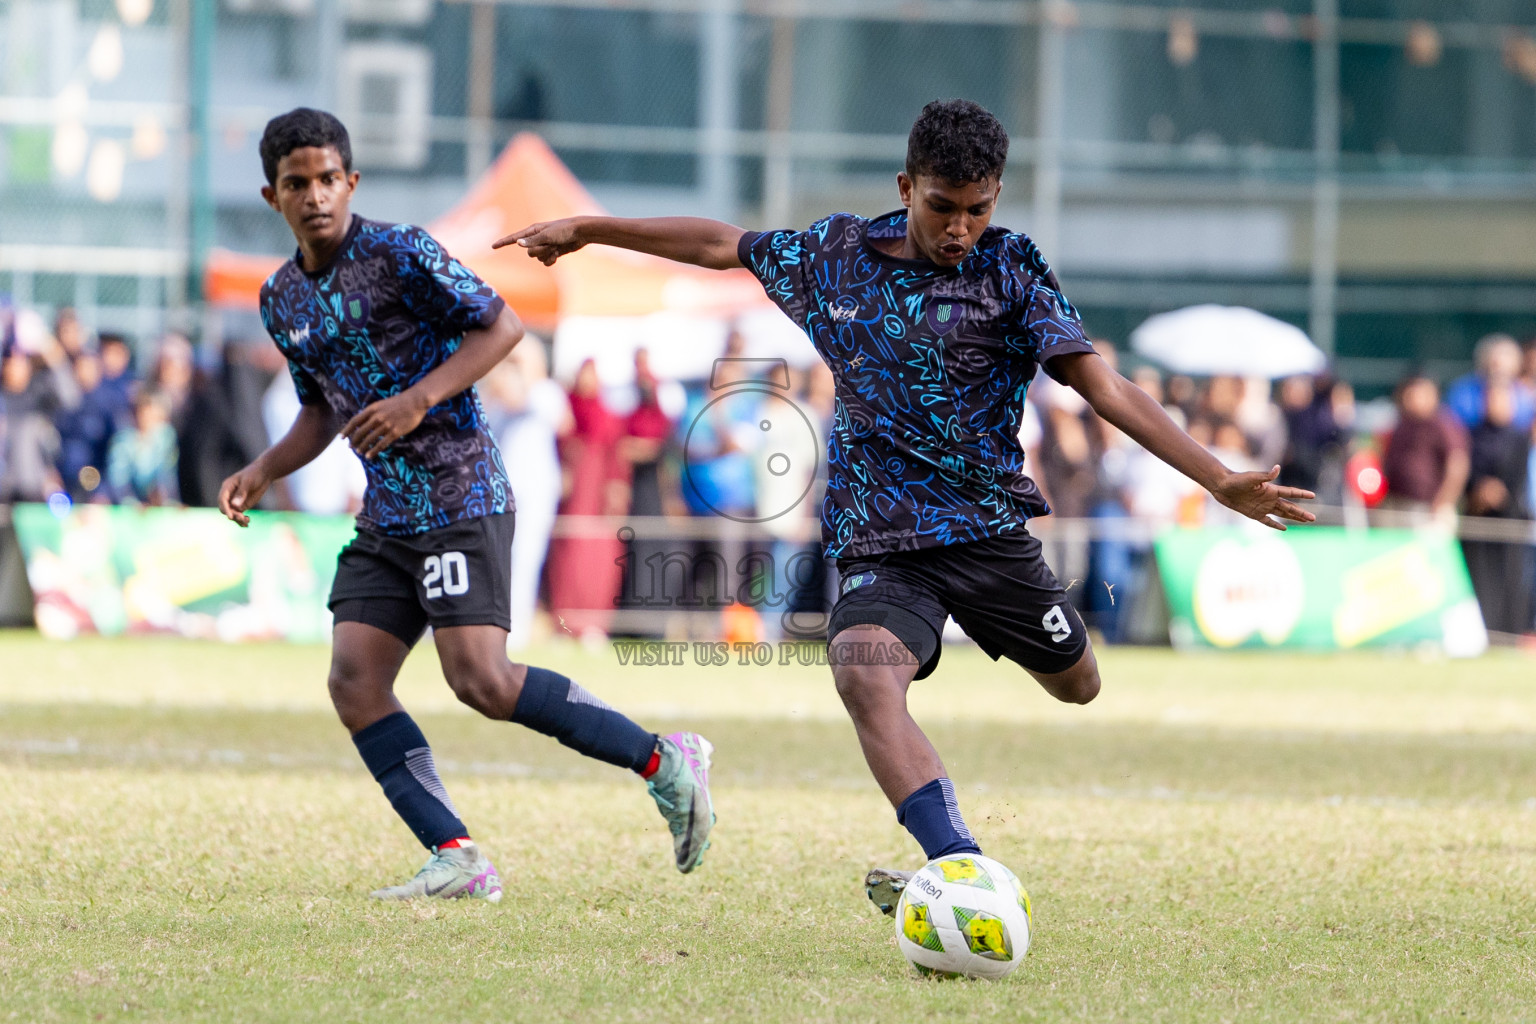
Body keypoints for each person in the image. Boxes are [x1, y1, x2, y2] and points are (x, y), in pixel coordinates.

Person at [496, 98, 1312, 911]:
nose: (960, 228)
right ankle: (960, 869)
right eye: (942, 207)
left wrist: (1214, 476)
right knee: (863, 673)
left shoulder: (1012, 267)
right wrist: (593, 228)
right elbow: (720, 243)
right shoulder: (836, 254)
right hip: (880, 542)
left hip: (989, 535)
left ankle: (966, 839)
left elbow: (1101, 383)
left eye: (978, 209)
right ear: (906, 185)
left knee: (1080, 685)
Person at [216, 108, 715, 904]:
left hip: (459, 492)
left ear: (351, 181)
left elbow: (502, 326)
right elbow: (319, 408)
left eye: (326, 179)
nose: (314, 196)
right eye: (295, 184)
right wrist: (262, 470)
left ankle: (664, 759)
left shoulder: (401, 251)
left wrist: (418, 399)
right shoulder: (282, 298)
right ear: (273, 195)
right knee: (354, 681)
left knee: (481, 681)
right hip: (387, 515)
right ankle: (456, 855)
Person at [1461, 384, 1532, 636]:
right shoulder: (1470, 435)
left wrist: (1500, 493)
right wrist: (1478, 491)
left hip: (1509, 521)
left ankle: (1508, 633)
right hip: (1477, 519)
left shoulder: (1519, 439)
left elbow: (1518, 478)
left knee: (1510, 581)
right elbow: (1465, 470)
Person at [1381, 373, 1469, 521]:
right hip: (1397, 504)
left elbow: (1457, 465)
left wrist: (1444, 502)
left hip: (1428, 508)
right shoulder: (1402, 424)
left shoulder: (1444, 425)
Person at [105, 389, 179, 505]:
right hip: (127, 506)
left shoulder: (166, 437)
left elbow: (167, 476)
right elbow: (118, 480)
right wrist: (132, 504)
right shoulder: (123, 440)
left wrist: (169, 501)